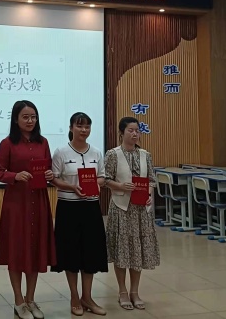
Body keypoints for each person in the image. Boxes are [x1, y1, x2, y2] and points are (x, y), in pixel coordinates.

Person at [0, 100, 55, 319]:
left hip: (39, 202)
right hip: (17, 205)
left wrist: (50, 175)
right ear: (16, 119)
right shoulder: (7, 143)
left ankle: (31, 299)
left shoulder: (43, 142)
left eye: (33, 117)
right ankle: (19, 301)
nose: (30, 121)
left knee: (35, 250)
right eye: (25, 117)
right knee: (17, 251)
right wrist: (15, 176)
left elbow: (48, 169)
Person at [51, 112, 108, 316]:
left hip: (91, 208)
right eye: (79, 126)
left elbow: (102, 177)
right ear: (71, 128)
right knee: (71, 253)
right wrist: (72, 187)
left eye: (87, 127)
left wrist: (94, 184)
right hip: (68, 207)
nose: (84, 130)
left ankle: (87, 297)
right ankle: (74, 297)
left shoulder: (97, 153)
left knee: (90, 252)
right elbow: (54, 179)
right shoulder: (61, 152)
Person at [103, 116, 160, 311]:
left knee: (138, 250)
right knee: (122, 250)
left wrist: (149, 194)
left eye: (137, 130)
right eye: (130, 130)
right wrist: (120, 185)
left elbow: (151, 180)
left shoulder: (145, 155)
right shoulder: (113, 154)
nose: (135, 134)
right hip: (121, 208)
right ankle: (122, 291)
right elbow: (105, 180)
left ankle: (135, 291)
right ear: (122, 133)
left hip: (141, 210)